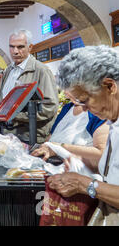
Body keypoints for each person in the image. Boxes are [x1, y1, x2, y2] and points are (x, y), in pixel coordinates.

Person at [42, 46, 119, 219]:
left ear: (109, 86)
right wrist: (80, 164)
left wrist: (84, 184)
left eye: (85, 101)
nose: (84, 110)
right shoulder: (112, 122)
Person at [0, 29, 59, 143]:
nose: (15, 51)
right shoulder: (8, 70)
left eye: (20, 47)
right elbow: (4, 101)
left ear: (30, 47)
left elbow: (50, 107)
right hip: (8, 135)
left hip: (30, 137)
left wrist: (16, 116)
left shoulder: (41, 70)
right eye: (11, 47)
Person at [31, 97, 109, 171]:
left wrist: (58, 148)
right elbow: (49, 141)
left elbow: (101, 154)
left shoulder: (99, 112)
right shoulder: (67, 108)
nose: (66, 93)